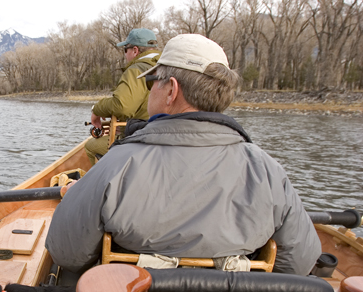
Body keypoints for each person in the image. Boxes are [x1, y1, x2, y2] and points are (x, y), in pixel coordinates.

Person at [47, 34, 321, 276]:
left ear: (171, 90)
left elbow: (66, 254)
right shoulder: (267, 170)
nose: (150, 89)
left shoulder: (117, 163)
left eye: (153, 81)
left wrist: (78, 197)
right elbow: (299, 263)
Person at [85, 28, 160, 166]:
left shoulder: (136, 69)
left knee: (90, 146)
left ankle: (99, 185)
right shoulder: (166, 67)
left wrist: (96, 109)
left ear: (135, 50)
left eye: (126, 50)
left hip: (139, 141)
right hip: (157, 137)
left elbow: (123, 106)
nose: (125, 55)